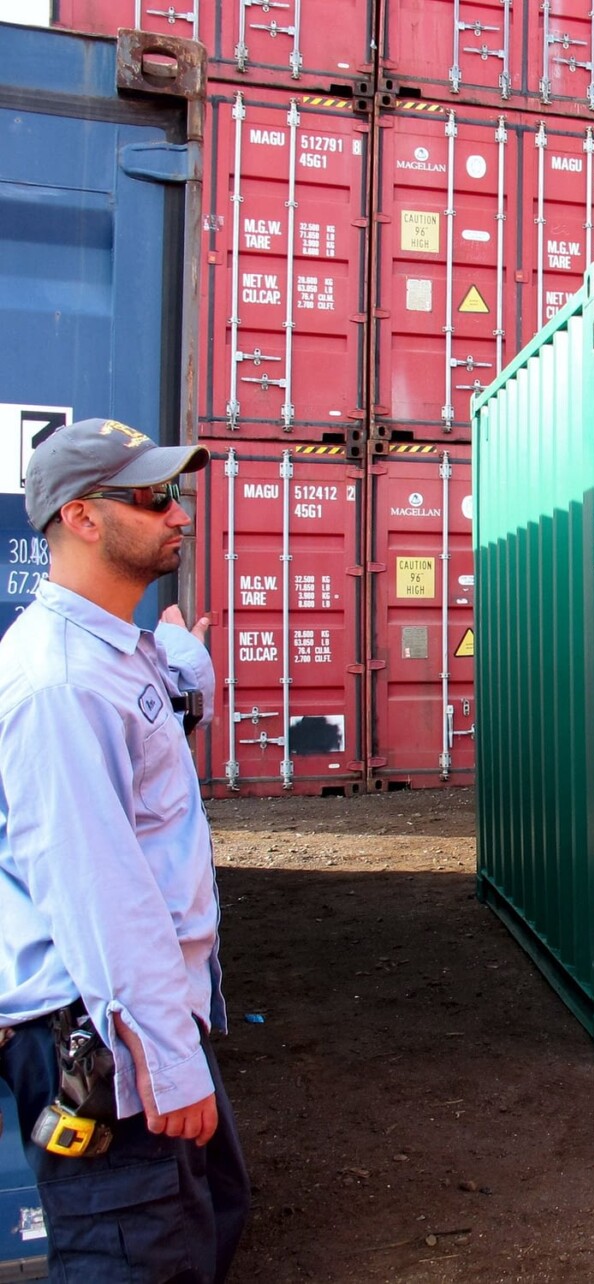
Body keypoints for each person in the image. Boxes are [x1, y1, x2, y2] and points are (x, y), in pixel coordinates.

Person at [0, 417, 249, 1281]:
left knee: (203, 1223)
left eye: (176, 492)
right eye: (152, 497)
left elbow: (154, 735)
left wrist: (184, 658)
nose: (178, 513)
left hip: (138, 1017)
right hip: (103, 1032)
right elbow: (96, 889)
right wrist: (168, 1063)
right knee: (137, 1256)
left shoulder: (121, 652)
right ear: (81, 518)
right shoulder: (61, 685)